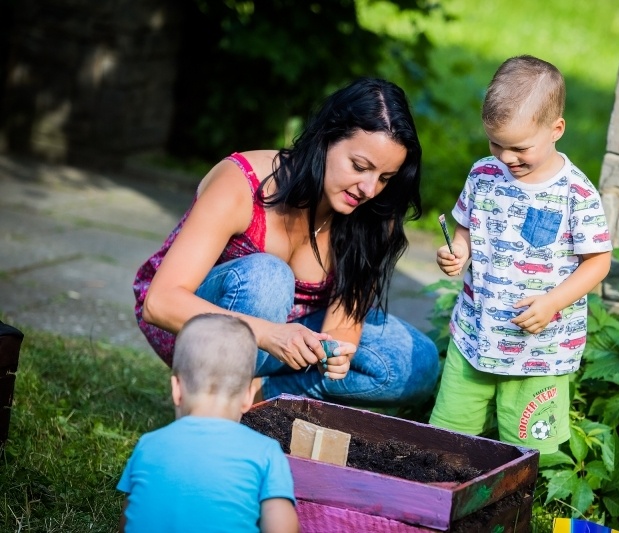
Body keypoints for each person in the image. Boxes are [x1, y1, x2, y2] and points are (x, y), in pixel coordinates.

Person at [133, 77, 439, 406]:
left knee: (416, 361)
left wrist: (335, 355)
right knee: (269, 276)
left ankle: (259, 399)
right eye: (359, 166)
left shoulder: (374, 212)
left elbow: (342, 325)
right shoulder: (242, 182)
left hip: (288, 342)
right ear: (325, 139)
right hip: (196, 327)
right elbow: (159, 303)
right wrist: (269, 334)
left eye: (384, 177)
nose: (369, 189)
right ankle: (212, 403)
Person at [429, 55, 612, 454]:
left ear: (556, 129)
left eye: (520, 147)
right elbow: (467, 226)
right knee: (446, 439)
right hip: (476, 334)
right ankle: (444, 483)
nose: (506, 157)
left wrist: (552, 302)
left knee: (530, 451)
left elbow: (598, 262)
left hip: (539, 349)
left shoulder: (576, 193)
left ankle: (521, 488)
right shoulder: (484, 175)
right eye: (496, 143)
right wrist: (458, 250)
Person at [117, 313, 299, 533]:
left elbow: (128, 520)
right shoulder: (266, 453)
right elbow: (281, 527)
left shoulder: (147, 445)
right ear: (248, 397)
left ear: (176, 389)